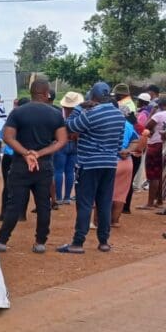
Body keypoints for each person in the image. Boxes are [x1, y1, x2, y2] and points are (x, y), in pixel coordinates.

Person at [0, 80, 67, 254]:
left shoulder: (18, 112)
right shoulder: (56, 114)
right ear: (47, 93)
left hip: (21, 164)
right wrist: (39, 154)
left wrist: (26, 153)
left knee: (14, 203)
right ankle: (40, 242)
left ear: (31, 92)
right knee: (43, 205)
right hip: (44, 165)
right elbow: (62, 140)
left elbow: (8, 137)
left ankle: (2, 240)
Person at [56, 83, 124, 254]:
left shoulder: (91, 114)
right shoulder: (119, 115)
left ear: (92, 97)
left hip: (89, 164)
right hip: (110, 164)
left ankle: (78, 242)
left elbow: (69, 125)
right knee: (104, 202)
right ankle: (104, 242)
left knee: (85, 203)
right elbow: (119, 143)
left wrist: (79, 108)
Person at [138, 96, 166, 210]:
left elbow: (146, 126)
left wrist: (152, 113)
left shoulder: (158, 115)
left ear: (160, 105)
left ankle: (150, 203)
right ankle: (159, 200)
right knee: (161, 173)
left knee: (153, 175)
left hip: (155, 144)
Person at [0, 97, 30, 223]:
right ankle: (21, 214)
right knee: (25, 184)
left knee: (7, 184)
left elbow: (2, 136)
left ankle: (3, 213)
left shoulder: (12, 118)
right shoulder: (31, 121)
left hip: (10, 155)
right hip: (23, 156)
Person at [111, 117, 142, 227]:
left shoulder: (104, 120)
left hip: (108, 161)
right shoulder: (128, 124)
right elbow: (136, 141)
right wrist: (128, 150)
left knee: (103, 192)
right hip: (126, 162)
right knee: (120, 194)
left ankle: (97, 221)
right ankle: (115, 221)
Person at [54, 92, 83, 205]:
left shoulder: (59, 113)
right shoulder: (80, 113)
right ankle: (67, 197)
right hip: (75, 143)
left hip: (61, 143)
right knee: (70, 171)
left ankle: (58, 197)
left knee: (58, 171)